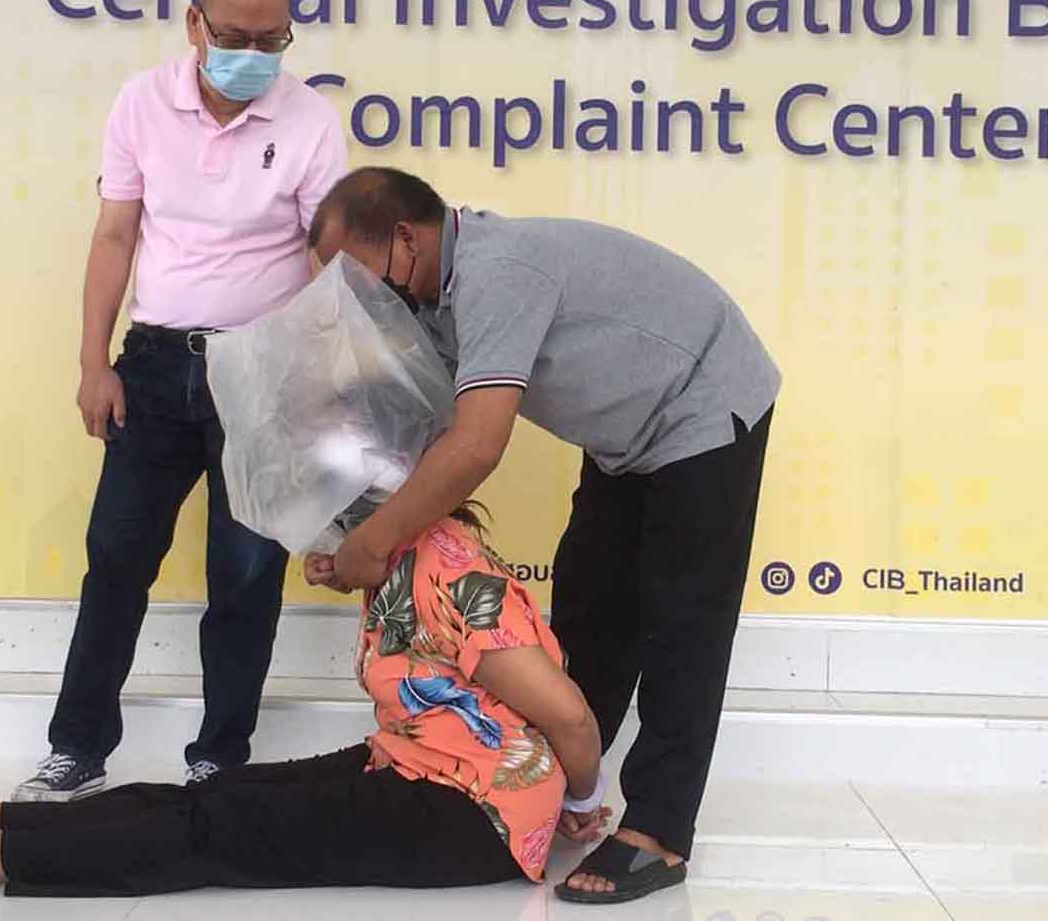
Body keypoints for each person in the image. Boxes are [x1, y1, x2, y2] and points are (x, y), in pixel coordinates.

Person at [304, 167, 781, 904]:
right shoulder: (428, 300)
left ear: (406, 238)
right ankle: (567, 784)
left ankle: (658, 832)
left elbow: (474, 446)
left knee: (684, 622)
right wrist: (342, 526)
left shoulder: (498, 272)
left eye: (353, 277)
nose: (352, 300)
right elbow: (413, 429)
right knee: (591, 604)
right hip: (624, 433)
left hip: (703, 403)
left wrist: (376, 546)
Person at [17, 0, 347, 802]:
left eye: (273, 39)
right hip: (156, 365)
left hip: (262, 375)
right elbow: (114, 237)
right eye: (236, 34)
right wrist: (94, 364)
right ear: (195, 23)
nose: (254, 55)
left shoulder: (309, 120)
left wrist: (309, 384)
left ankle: (219, 761)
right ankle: (77, 749)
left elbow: (326, 262)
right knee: (116, 558)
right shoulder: (140, 103)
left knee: (244, 577)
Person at [0, 510, 609, 895]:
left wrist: (577, 805)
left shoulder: (452, 572)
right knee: (223, 791)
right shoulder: (401, 555)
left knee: (223, 826)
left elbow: (570, 715)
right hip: (420, 767)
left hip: (476, 816)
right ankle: (4, 819)